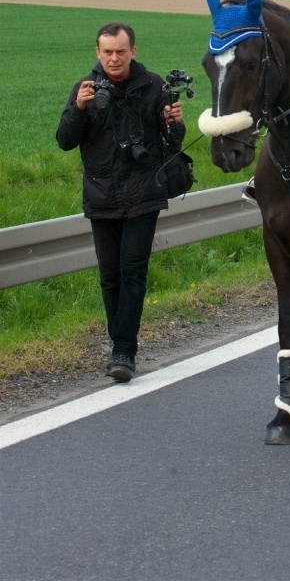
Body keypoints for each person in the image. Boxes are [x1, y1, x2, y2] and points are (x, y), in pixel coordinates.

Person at [56, 22, 184, 382]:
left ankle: (124, 351)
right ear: (98, 53)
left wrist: (175, 122)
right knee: (110, 277)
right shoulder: (85, 89)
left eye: (121, 51)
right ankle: (120, 346)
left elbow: (173, 141)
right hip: (102, 196)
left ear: (133, 52)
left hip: (143, 194)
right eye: (108, 52)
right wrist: (78, 109)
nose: (115, 58)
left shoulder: (154, 86)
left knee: (133, 272)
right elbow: (64, 140)